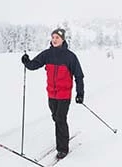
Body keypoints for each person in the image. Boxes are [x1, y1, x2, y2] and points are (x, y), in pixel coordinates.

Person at [21, 28, 84, 159]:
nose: (54, 40)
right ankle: (62, 137)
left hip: (64, 95)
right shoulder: (47, 54)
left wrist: (80, 93)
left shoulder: (70, 56)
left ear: (63, 39)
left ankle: (62, 148)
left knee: (60, 119)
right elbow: (34, 65)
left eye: (57, 38)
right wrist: (26, 61)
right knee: (56, 118)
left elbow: (79, 75)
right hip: (51, 94)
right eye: (53, 37)